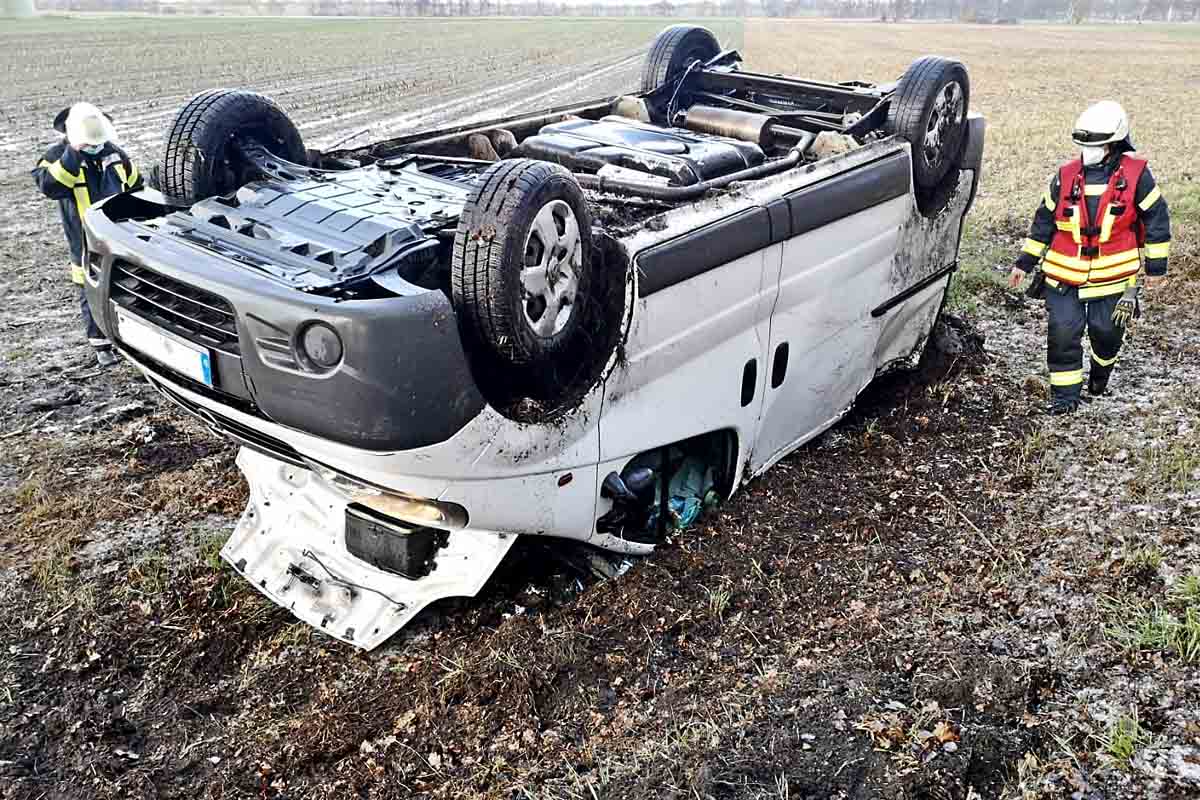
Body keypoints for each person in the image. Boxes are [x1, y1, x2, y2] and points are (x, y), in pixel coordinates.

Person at [1008, 101, 1171, 415]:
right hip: (1062, 275)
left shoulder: (1137, 176)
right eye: (1084, 145)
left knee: (1107, 334)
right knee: (1063, 333)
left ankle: (1100, 374)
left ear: (1115, 144)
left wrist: (1156, 269)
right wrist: (1024, 263)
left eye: (1096, 145)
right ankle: (1064, 398)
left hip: (1114, 277)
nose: (1088, 151)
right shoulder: (1065, 176)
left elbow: (1157, 219)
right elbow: (1043, 221)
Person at [32, 103, 142, 367]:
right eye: (89, 142)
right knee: (90, 289)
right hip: (84, 240)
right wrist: (73, 154)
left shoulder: (114, 153)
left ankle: (129, 338)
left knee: (125, 285)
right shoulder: (56, 156)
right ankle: (101, 344)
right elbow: (49, 186)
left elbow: (135, 185)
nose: (95, 146)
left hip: (118, 234)